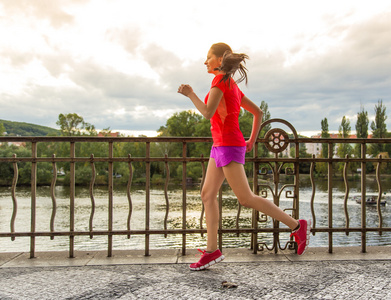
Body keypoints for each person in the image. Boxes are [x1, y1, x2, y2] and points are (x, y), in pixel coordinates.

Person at [178, 43, 310, 271]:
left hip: (228, 144)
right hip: (220, 145)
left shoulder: (221, 82)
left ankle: (297, 226)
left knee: (246, 198)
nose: (205, 61)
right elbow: (258, 112)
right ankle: (212, 251)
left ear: (219, 60)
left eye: (208, 57)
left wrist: (190, 95)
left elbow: (208, 112)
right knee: (207, 194)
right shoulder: (231, 85)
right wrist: (250, 140)